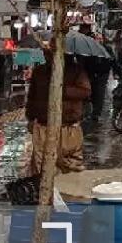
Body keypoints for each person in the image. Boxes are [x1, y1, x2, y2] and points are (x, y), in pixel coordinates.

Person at [26, 48, 92, 176]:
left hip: (68, 127)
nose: (47, 55)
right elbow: (32, 97)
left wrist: (62, 89)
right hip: (43, 125)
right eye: (46, 52)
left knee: (71, 166)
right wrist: (30, 118)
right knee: (42, 166)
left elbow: (85, 91)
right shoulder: (39, 71)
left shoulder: (76, 71)